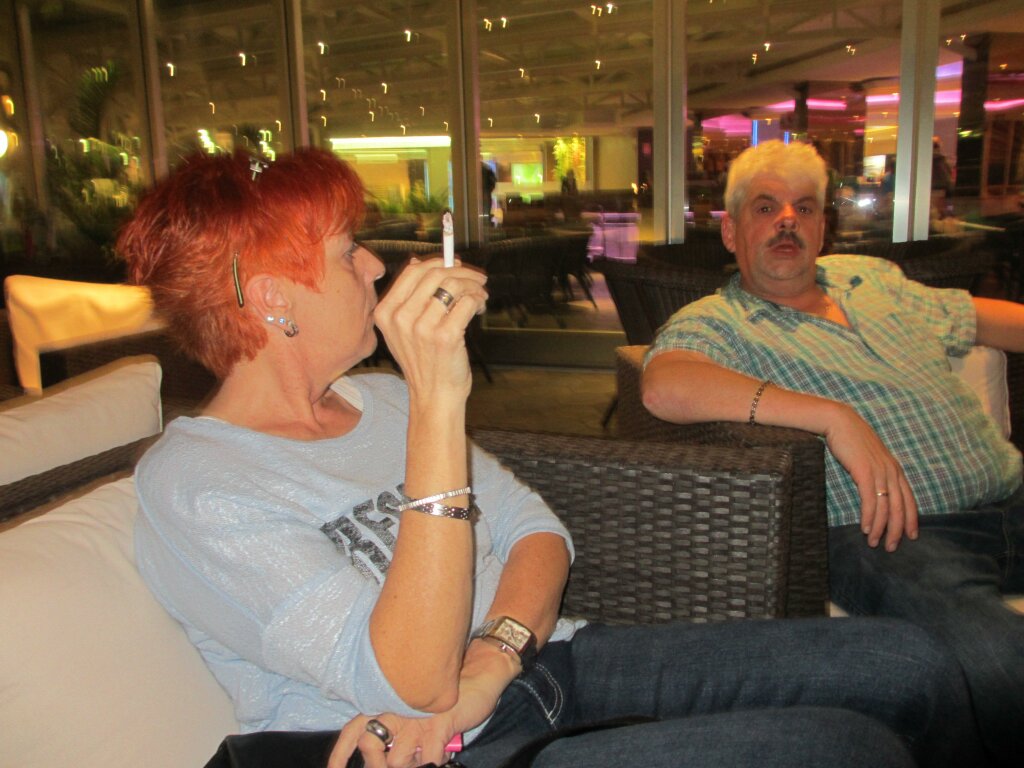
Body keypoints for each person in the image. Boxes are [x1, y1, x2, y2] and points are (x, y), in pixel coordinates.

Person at [120, 147, 981, 768]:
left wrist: (492, 662)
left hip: (546, 663)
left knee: (908, 663)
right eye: (348, 251)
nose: (376, 265)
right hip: (450, 752)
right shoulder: (198, 484)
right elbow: (410, 681)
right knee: (844, 748)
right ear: (272, 300)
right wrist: (440, 401)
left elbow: (539, 531)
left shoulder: (379, 401)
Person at [642, 139, 1024, 768]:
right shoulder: (720, 319)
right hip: (895, 536)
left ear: (823, 227)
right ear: (732, 233)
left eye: (804, 207)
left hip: (1011, 494)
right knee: (1001, 663)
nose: (787, 220)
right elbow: (665, 384)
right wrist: (832, 415)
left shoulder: (869, 280)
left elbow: (974, 318)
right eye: (766, 208)